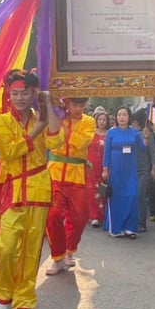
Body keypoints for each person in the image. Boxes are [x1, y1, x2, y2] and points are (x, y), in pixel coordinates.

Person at [0, 70, 61, 309]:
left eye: (25, 93)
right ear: (9, 94)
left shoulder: (41, 115)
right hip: (13, 187)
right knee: (6, 246)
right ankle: (2, 295)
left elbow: (57, 138)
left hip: (39, 186)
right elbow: (9, 153)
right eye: (15, 93)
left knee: (32, 248)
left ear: (33, 94)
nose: (19, 98)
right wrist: (35, 131)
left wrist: (49, 102)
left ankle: (25, 300)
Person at [45, 97, 96, 275]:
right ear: (67, 103)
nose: (78, 108)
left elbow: (82, 142)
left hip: (77, 174)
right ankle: (57, 257)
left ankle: (70, 249)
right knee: (52, 215)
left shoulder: (89, 121)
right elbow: (49, 138)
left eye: (82, 105)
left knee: (80, 217)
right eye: (75, 104)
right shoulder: (57, 116)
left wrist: (61, 125)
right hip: (55, 172)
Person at [101, 106, 147, 238]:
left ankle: (130, 227)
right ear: (116, 117)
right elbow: (107, 152)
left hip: (130, 169)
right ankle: (116, 228)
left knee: (132, 196)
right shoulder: (111, 133)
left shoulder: (135, 133)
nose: (122, 117)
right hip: (116, 169)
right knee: (117, 197)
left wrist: (146, 138)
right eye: (119, 115)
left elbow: (142, 148)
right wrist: (105, 169)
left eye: (124, 115)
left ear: (129, 117)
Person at [131, 110, 155, 233]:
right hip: (131, 169)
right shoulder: (131, 132)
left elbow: (152, 152)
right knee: (132, 196)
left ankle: (141, 223)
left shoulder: (147, 134)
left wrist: (154, 167)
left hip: (143, 170)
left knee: (141, 196)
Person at [86, 110, 109, 227]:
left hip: (104, 165)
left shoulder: (109, 134)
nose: (102, 122)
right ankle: (93, 215)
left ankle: (102, 215)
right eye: (100, 119)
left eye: (104, 120)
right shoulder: (90, 133)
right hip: (91, 165)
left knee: (102, 189)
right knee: (91, 189)